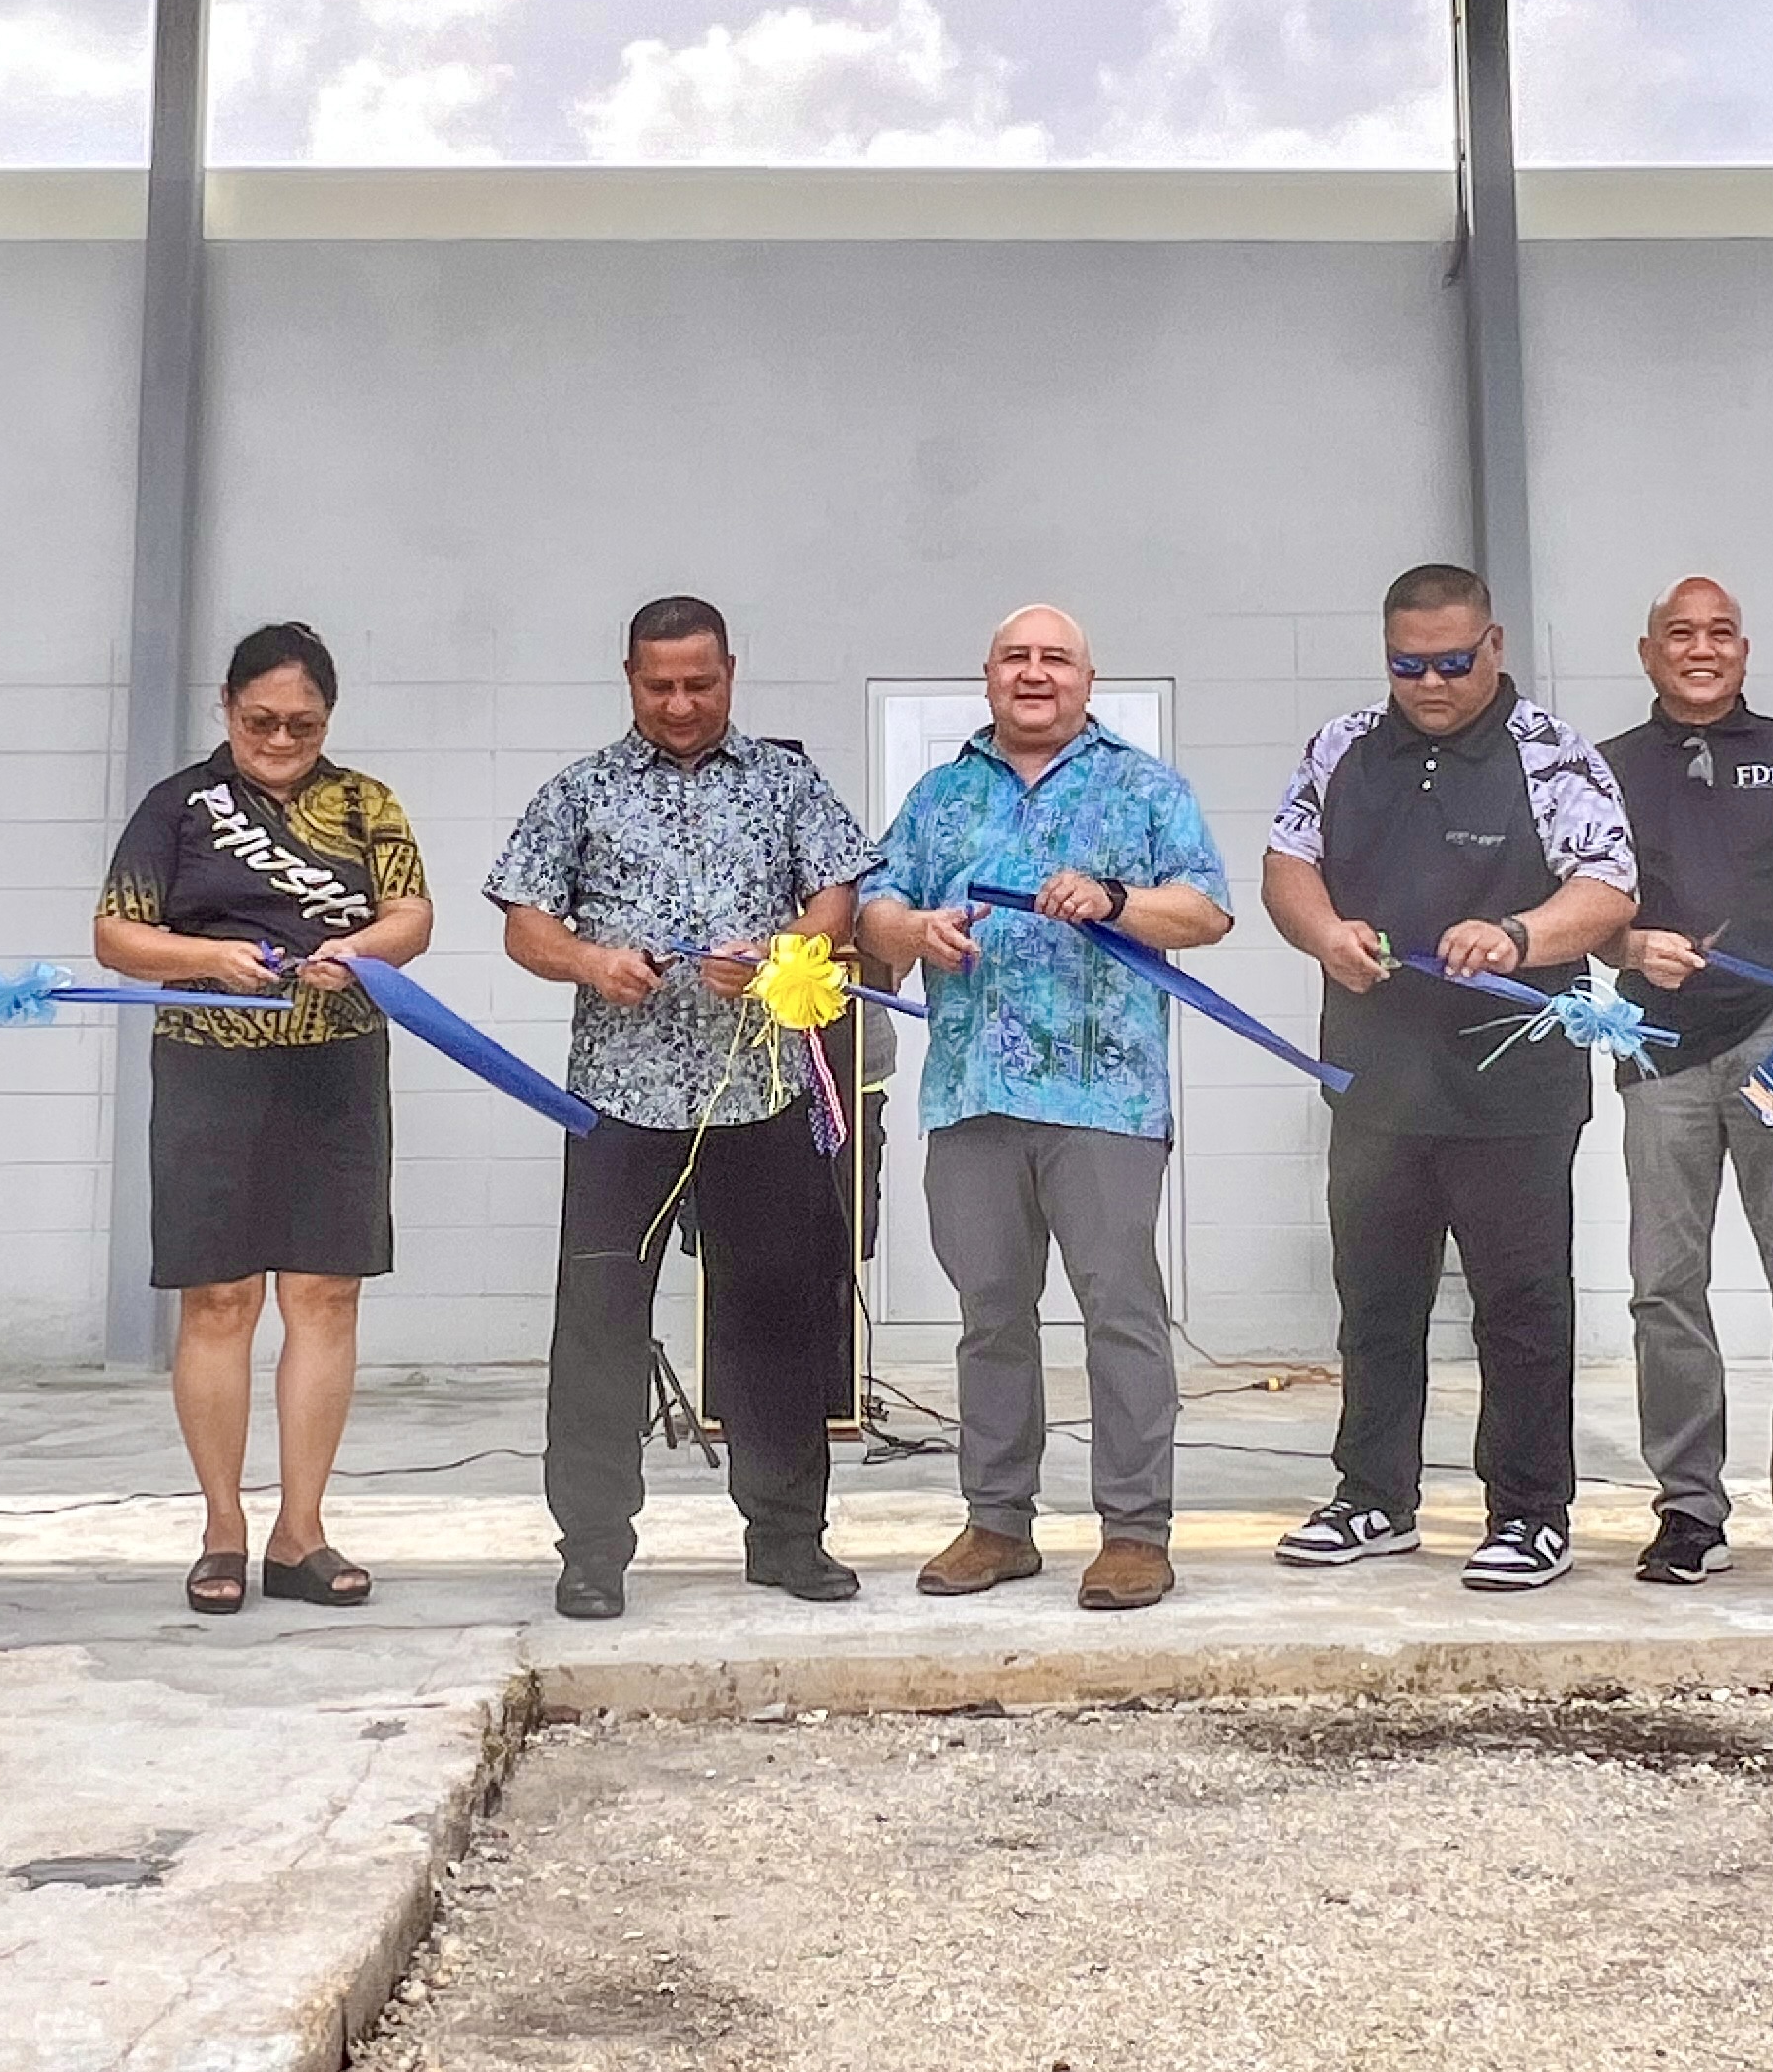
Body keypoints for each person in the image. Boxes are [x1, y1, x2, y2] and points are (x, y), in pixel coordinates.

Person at [488, 595, 882, 1621]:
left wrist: (785, 948)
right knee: (600, 1327)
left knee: (781, 1321)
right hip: (620, 1106)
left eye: (699, 685)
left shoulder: (786, 782)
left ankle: (789, 1539)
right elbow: (524, 925)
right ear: (630, 679)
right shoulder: (578, 792)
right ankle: (593, 1551)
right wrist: (589, 958)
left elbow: (839, 894)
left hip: (760, 1092)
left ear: (731, 675)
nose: (679, 704)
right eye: (659, 686)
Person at [1260, 564, 1638, 1592]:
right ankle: (1373, 1497)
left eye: (1453, 664)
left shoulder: (1552, 756)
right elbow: (1286, 865)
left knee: (1521, 1304)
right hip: (1377, 1082)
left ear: (1496, 647)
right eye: (1407, 665)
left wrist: (1522, 935)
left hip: (1512, 1089)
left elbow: (1608, 886)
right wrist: (1325, 933)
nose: (1430, 685)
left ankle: (1529, 1513)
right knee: (1376, 1301)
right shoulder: (1342, 747)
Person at [858, 605, 1230, 1614]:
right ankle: (997, 1523)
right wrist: (912, 927)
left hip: (1104, 1097)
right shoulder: (939, 797)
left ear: (1087, 678)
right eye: (1016, 657)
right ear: (988, 677)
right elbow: (872, 908)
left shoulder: (1144, 789)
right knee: (990, 1317)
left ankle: (1134, 1532)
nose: (1035, 673)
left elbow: (1205, 910)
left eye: (1054, 658)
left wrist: (1115, 900)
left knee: (1121, 1313)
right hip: (972, 1095)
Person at [95, 622, 432, 1618]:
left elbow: (413, 914)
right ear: (227, 708)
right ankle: (223, 1529)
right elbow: (116, 932)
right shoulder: (179, 807)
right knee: (219, 1301)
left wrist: (362, 948)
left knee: (326, 1295)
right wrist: (207, 960)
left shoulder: (367, 803)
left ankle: (302, 1530)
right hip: (211, 1070)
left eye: (303, 723)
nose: (281, 739)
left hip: (336, 1065)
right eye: (260, 721)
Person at [1600, 576, 1773, 1593]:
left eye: (1719, 633)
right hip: (1657, 1047)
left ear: (1744, 651)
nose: (1701, 648)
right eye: (1680, 633)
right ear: (1649, 652)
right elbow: (1584, 908)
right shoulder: (1609, 769)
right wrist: (1629, 943)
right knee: (1665, 1290)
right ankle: (1689, 1510)